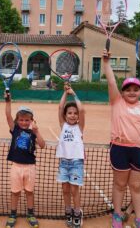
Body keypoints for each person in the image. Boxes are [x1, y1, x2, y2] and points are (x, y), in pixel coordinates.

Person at [102, 50, 140, 228]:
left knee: (136, 186)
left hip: (138, 151)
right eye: (128, 89)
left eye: (136, 89)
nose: (132, 92)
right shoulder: (117, 101)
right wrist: (106, 63)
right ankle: (117, 215)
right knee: (119, 184)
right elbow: (111, 81)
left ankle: (139, 218)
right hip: (119, 149)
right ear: (123, 92)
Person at [4, 92, 46, 228]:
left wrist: (37, 131)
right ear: (17, 121)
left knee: (29, 192)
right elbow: (7, 115)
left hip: (30, 167)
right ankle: (12, 215)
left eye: (27, 120)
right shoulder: (14, 129)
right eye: (21, 119)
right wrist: (8, 101)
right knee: (15, 192)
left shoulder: (33, 132)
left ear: (32, 121)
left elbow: (42, 145)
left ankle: (30, 214)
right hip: (16, 166)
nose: (24, 122)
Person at [56, 84, 85, 228]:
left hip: (76, 162)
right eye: (69, 113)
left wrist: (74, 94)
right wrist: (64, 93)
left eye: (75, 113)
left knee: (74, 190)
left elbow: (82, 109)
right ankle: (68, 210)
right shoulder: (63, 125)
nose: (72, 115)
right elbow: (60, 108)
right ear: (65, 116)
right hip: (63, 163)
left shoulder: (79, 127)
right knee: (65, 190)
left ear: (78, 116)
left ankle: (77, 212)